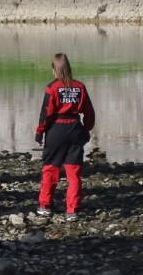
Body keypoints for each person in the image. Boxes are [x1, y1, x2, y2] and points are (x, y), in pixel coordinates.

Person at [34, 52, 95, 221]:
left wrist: (40, 132)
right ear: (69, 68)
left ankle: (45, 206)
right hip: (75, 128)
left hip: (56, 129)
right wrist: (86, 129)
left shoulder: (52, 87)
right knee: (73, 171)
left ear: (55, 69)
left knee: (50, 169)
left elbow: (46, 113)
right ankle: (72, 210)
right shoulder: (80, 87)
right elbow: (89, 112)